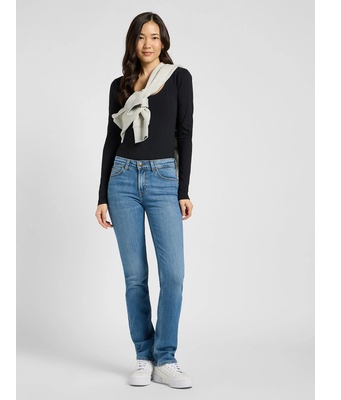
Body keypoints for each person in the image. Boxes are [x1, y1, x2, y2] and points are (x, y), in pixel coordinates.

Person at [95, 11, 194, 389]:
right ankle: (143, 355)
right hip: (122, 180)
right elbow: (111, 139)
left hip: (163, 179)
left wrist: (183, 189)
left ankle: (165, 358)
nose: (148, 43)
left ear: (163, 41)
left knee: (174, 275)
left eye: (154, 36)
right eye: (141, 37)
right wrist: (101, 195)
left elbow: (184, 134)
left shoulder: (179, 77)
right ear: (133, 43)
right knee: (135, 276)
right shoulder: (119, 85)